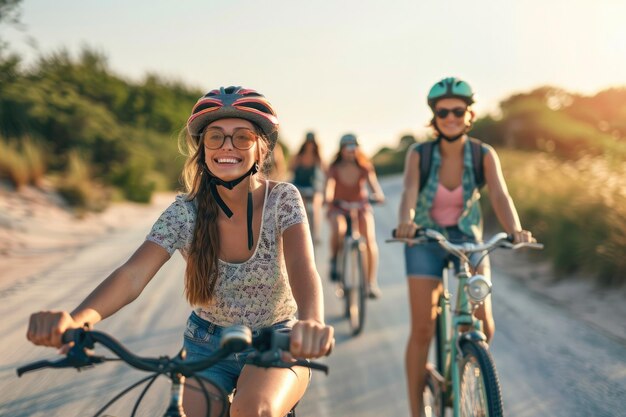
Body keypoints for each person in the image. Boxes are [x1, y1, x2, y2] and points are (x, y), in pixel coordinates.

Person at [26, 86, 334, 417]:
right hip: (206, 343)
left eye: (241, 137)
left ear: (261, 149)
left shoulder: (282, 199)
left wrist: (311, 323)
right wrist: (76, 320)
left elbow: (303, 267)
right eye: (215, 137)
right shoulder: (184, 212)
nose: (227, 146)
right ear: (202, 150)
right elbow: (132, 275)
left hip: (277, 338)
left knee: (252, 409)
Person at [395, 77, 535, 417]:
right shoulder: (420, 153)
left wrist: (514, 229)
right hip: (425, 239)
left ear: (469, 114)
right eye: (443, 112)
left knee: (483, 324)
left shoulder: (483, 154)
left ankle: (466, 362)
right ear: (435, 116)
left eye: (458, 110)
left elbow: (501, 195)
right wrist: (407, 222)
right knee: (423, 327)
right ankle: (417, 409)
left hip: (469, 240)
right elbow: (410, 192)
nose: (451, 117)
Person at [325, 133, 385, 299]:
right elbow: (329, 186)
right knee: (339, 229)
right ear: (342, 150)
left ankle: (370, 283)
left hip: (360, 207)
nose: (351, 151)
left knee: (369, 239)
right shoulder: (334, 168)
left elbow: (374, 185)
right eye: (347, 147)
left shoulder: (364, 167)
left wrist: (378, 195)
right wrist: (328, 198)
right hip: (339, 207)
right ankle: (335, 261)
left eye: (354, 147)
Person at [289, 131, 325, 242]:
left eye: (312, 142)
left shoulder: (317, 157)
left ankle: (315, 234)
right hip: (299, 185)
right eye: (309, 142)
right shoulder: (299, 155)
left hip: (312, 187)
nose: (310, 145)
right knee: (301, 209)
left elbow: (326, 171)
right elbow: (291, 168)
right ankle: (302, 232)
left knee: (315, 207)